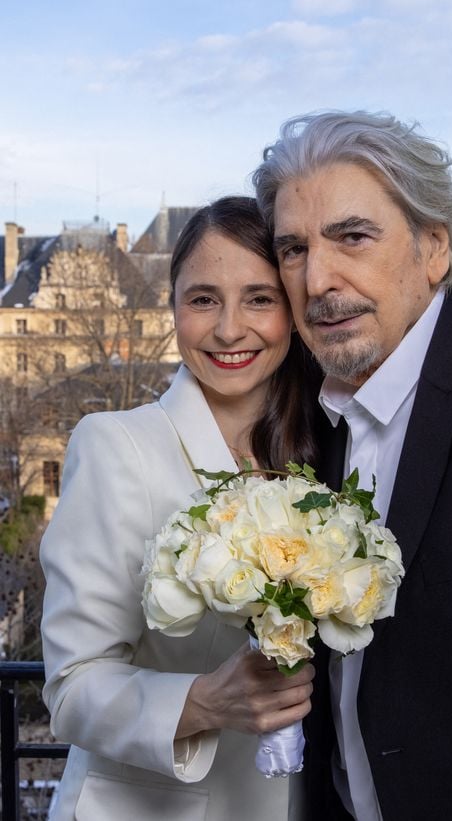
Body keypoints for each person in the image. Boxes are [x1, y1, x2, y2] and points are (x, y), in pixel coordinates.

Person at [252, 111, 452, 821]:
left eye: (352, 237)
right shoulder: (310, 426)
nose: (317, 278)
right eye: (292, 249)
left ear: (434, 247)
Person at [40, 196, 323, 821]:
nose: (228, 329)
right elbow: (72, 687)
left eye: (259, 298)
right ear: (173, 308)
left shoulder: (330, 450)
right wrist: (202, 703)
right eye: (202, 299)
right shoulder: (116, 446)